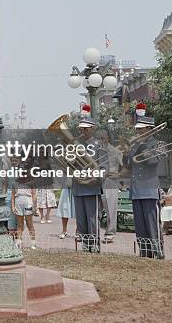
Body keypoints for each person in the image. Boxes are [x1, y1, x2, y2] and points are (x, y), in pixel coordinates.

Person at [123, 110, 165, 259]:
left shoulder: (159, 143)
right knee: (140, 226)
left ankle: (158, 252)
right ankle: (145, 252)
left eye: (140, 129)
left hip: (149, 190)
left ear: (149, 129)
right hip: (136, 190)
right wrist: (126, 152)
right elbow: (127, 166)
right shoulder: (135, 145)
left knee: (152, 225)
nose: (137, 131)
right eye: (137, 129)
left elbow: (153, 162)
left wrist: (142, 146)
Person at [72, 106, 106, 253]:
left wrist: (96, 179)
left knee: (92, 219)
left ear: (93, 129)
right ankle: (85, 245)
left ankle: (95, 244)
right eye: (81, 129)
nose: (83, 131)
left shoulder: (99, 145)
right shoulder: (75, 145)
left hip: (92, 187)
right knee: (81, 219)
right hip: (78, 186)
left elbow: (105, 168)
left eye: (86, 129)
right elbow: (69, 165)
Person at [99, 129, 122, 243]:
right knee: (95, 209)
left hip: (110, 181)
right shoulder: (95, 150)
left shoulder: (115, 151)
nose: (100, 140)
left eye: (103, 137)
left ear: (108, 137)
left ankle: (110, 233)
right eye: (99, 138)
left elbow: (125, 167)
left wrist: (117, 174)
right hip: (96, 181)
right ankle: (93, 232)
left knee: (111, 209)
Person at [11, 179, 37, 250]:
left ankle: (33, 242)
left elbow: (34, 194)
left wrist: (34, 206)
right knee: (20, 224)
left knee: (29, 224)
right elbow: (13, 196)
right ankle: (19, 242)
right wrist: (13, 207)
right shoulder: (15, 183)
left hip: (28, 202)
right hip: (18, 202)